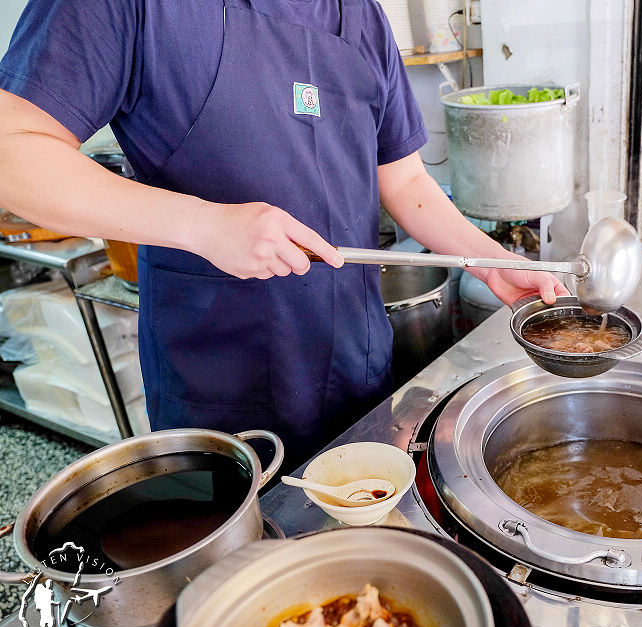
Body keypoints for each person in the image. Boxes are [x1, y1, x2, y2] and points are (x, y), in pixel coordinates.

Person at [0, 0, 567, 467]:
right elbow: (14, 155)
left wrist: (490, 260)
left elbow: (406, 180)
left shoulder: (362, 18)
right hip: (220, 394)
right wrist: (204, 224)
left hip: (357, 373)